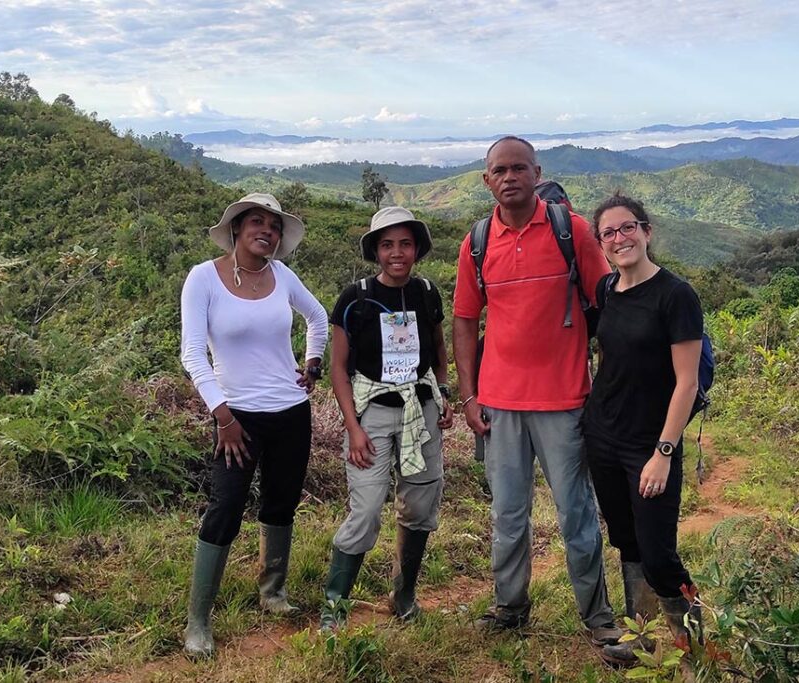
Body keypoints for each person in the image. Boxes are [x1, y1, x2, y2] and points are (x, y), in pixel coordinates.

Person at [452, 136, 621, 645]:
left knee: (576, 513)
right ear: (487, 181)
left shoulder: (574, 231)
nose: (509, 178)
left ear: (536, 172)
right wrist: (469, 395)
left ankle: (599, 620)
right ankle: (510, 606)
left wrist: (608, 385)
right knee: (507, 514)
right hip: (500, 402)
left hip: (565, 400)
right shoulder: (476, 242)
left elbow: (609, 307)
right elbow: (463, 321)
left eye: (518, 168)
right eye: (499, 171)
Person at [179, 192, 329, 658]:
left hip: (289, 411)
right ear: (237, 230)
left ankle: (272, 591)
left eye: (274, 226)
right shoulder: (204, 278)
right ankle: (198, 619)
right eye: (257, 222)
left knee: (281, 502)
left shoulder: (283, 276)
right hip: (236, 416)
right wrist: (221, 414)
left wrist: (313, 362)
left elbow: (318, 316)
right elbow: (191, 353)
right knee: (225, 507)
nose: (267, 230)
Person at [582, 192, 705, 667]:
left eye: (627, 227)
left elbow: (687, 382)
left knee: (659, 555)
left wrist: (664, 451)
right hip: (604, 437)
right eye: (609, 233)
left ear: (646, 231)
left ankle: (693, 651)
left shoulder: (675, 296)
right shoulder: (607, 290)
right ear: (602, 244)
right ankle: (644, 642)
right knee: (627, 542)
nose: (620, 237)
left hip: (649, 445)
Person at [320, 206, 453, 629]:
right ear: (376, 251)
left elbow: (438, 350)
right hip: (372, 415)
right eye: (388, 244)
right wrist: (354, 428)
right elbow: (338, 369)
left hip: (421, 413)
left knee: (420, 505)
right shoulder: (354, 299)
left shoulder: (427, 293)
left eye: (405, 244)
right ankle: (335, 609)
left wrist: (445, 394)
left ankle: (404, 597)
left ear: (417, 249)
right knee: (366, 510)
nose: (397, 253)